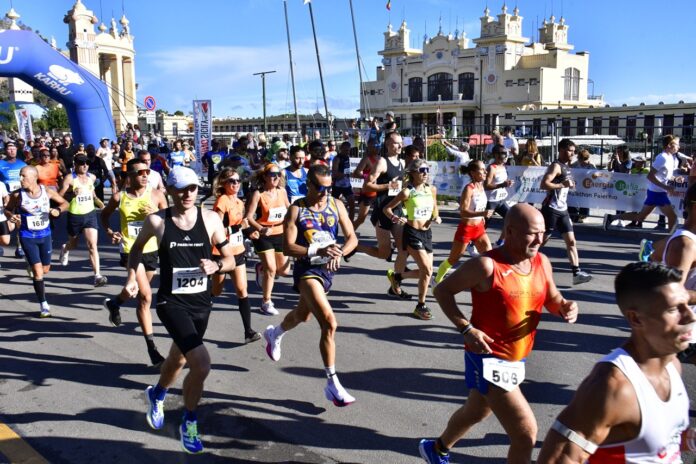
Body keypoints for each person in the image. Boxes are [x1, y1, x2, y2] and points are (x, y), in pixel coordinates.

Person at [419, 204, 579, 464]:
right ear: (510, 231)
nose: (540, 240)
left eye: (542, 233)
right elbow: (442, 291)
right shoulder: (486, 265)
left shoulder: (541, 261)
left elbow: (552, 299)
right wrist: (466, 328)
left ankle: (436, 449)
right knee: (525, 433)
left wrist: (565, 307)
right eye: (531, 234)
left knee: (476, 411)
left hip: (517, 358)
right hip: (488, 357)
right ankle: (437, 449)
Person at [126, 166, 236, 454]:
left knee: (179, 358)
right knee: (201, 363)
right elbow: (136, 249)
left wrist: (217, 265)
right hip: (170, 303)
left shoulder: (211, 219)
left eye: (193, 188)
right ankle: (189, 421)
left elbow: (231, 260)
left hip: (201, 302)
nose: (188, 194)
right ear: (170, 191)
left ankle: (158, 393)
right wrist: (132, 278)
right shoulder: (157, 221)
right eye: (182, 189)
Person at [537, 262, 694, 463]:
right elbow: (559, 458)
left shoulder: (673, 366)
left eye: (687, 304)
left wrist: (685, 439)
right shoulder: (614, 386)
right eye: (673, 309)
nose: (689, 315)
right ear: (636, 319)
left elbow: (652, 443)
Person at [263, 164, 358, 406]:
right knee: (329, 323)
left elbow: (352, 239)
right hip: (307, 270)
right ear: (309, 185)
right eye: (320, 188)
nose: (326, 192)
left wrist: (339, 254)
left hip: (327, 270)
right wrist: (318, 249)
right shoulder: (296, 210)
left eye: (329, 188)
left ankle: (275, 333)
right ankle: (332, 383)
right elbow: (288, 247)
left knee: (302, 316)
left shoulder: (336, 205)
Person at [101, 158, 169, 366]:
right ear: (129, 176)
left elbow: (171, 220)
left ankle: (115, 303)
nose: (145, 175)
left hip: (152, 250)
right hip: (131, 250)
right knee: (146, 297)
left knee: (138, 294)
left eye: (147, 171)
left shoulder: (157, 195)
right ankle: (152, 350)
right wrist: (111, 232)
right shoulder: (119, 197)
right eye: (140, 172)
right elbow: (104, 216)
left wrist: (157, 216)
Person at [357, 131, 418, 299]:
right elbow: (367, 185)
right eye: (396, 143)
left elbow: (401, 189)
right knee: (384, 254)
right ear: (387, 145)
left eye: (400, 143)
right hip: (382, 211)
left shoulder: (401, 163)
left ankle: (396, 285)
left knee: (403, 249)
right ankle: (356, 247)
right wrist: (388, 186)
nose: (399, 146)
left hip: (396, 211)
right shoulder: (382, 163)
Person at [4, 166, 68, 317]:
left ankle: (32, 266)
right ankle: (43, 305)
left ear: (34, 177)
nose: (20, 179)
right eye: (20, 176)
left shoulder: (47, 191)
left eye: (23, 176)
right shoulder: (17, 195)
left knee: (45, 269)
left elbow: (65, 203)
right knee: (38, 273)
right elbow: (7, 209)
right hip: (27, 236)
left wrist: (57, 211)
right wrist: (10, 216)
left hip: (45, 236)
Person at [383, 159, 441, 320]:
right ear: (413, 173)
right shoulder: (407, 192)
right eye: (422, 170)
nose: (425, 173)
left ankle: (397, 277)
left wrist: (436, 217)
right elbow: (386, 209)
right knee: (427, 270)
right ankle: (420, 305)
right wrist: (396, 218)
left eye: (427, 170)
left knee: (427, 272)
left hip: (427, 233)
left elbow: (435, 208)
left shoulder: (432, 189)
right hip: (412, 233)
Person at [210, 167, 260, 344]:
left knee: (242, 290)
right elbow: (216, 229)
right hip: (221, 254)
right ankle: (201, 308)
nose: (236, 184)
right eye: (232, 181)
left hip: (237, 252)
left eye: (238, 181)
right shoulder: (222, 201)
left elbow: (241, 226)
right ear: (224, 183)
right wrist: (238, 228)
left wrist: (250, 233)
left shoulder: (239, 202)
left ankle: (248, 331)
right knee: (216, 291)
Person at [540, 138, 592, 285]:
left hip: (562, 210)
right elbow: (544, 184)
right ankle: (521, 261)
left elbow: (564, 185)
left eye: (574, 151)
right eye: (570, 151)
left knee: (571, 241)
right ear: (562, 150)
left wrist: (568, 185)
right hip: (551, 209)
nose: (573, 154)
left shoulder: (567, 167)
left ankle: (576, 273)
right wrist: (562, 184)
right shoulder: (556, 166)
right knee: (542, 241)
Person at [434, 160, 493, 285]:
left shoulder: (481, 186)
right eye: (482, 170)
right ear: (473, 173)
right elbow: (463, 212)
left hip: (479, 229)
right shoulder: (468, 189)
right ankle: (437, 280)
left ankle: (484, 283)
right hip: (466, 229)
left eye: (485, 169)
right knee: (453, 259)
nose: (485, 171)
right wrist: (481, 214)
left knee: (490, 256)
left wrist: (481, 217)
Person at [605, 137, 680, 231]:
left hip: (657, 192)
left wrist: (676, 178)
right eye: (677, 144)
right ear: (669, 145)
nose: (679, 147)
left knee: (640, 217)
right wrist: (666, 187)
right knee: (672, 217)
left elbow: (663, 175)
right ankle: (670, 242)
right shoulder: (662, 158)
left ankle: (611, 218)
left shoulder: (671, 158)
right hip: (658, 193)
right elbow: (650, 176)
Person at [245, 163, 291, 315]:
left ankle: (261, 268)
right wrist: (261, 228)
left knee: (284, 271)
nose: (276, 177)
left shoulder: (282, 191)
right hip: (264, 234)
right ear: (265, 177)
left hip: (280, 232)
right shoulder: (258, 194)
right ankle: (266, 302)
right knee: (272, 270)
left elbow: (289, 209)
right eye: (272, 174)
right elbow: (249, 217)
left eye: (278, 174)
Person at [57, 155, 107, 286]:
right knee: (73, 244)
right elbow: (59, 196)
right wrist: (71, 194)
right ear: (75, 164)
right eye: (81, 163)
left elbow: (93, 194)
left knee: (92, 245)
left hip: (90, 215)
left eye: (86, 163)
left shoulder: (92, 177)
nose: (84, 166)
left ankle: (97, 275)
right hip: (75, 216)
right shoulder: (70, 178)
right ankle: (65, 248)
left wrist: (100, 203)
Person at [0, 141, 27, 257]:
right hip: (5, 198)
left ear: (17, 150)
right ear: (5, 150)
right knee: (9, 225)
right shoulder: (0, 164)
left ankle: (19, 246)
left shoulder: (22, 164)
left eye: (14, 148)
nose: (12, 150)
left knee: (20, 222)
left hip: (20, 197)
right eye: (9, 148)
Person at [484, 145, 514, 246]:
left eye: (506, 153)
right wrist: (502, 185)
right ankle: (471, 243)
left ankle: (500, 242)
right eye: (503, 153)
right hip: (491, 201)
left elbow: (501, 181)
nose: (506, 156)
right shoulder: (492, 168)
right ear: (496, 155)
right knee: (483, 225)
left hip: (501, 200)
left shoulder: (503, 166)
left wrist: (507, 183)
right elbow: (486, 186)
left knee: (511, 220)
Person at [350, 141, 380, 232]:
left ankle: (383, 237)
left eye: (378, 146)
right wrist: (367, 177)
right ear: (369, 148)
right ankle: (349, 235)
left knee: (381, 218)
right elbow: (356, 173)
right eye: (374, 146)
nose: (377, 148)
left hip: (379, 191)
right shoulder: (366, 159)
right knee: (361, 219)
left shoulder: (381, 159)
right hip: (368, 192)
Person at [569, 149, 596, 223]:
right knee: (574, 202)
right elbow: (570, 168)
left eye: (579, 158)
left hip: (586, 187)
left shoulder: (591, 165)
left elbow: (596, 175)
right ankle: (574, 216)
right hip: (577, 186)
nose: (578, 159)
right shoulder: (576, 164)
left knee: (585, 202)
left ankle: (584, 216)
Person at [331, 141, 356, 221]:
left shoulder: (347, 157)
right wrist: (345, 174)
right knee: (333, 206)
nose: (347, 152)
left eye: (348, 150)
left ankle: (350, 224)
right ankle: (332, 222)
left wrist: (350, 174)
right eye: (345, 150)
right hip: (337, 185)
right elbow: (334, 173)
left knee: (352, 204)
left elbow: (347, 172)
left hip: (346, 185)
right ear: (341, 149)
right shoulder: (337, 158)